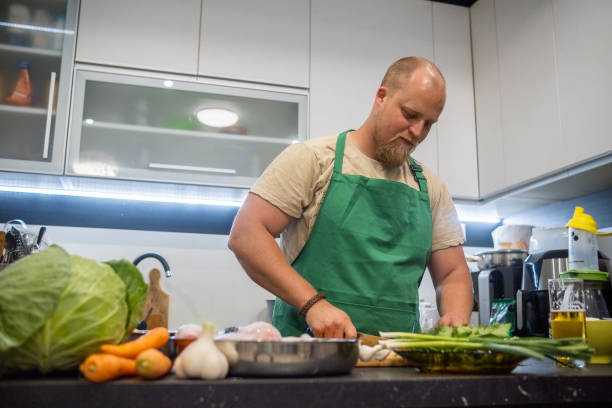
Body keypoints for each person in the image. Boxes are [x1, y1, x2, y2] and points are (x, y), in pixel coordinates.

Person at [228, 56, 473, 338]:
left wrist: (456, 315)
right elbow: (246, 234)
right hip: (311, 356)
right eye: (409, 114)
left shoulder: (431, 187)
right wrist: (313, 305)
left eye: (429, 124)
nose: (418, 132)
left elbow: (452, 273)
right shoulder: (314, 160)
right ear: (382, 96)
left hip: (397, 362)